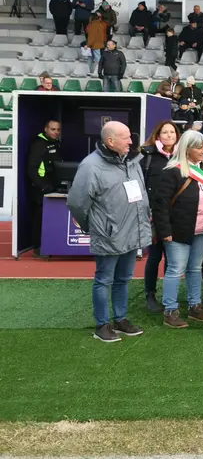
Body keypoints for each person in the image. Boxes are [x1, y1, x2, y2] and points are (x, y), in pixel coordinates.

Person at [67, 122, 151, 343]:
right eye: (125, 137)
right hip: (109, 233)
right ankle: (102, 325)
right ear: (110, 141)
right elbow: (77, 203)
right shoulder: (91, 166)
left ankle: (120, 319)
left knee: (123, 279)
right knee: (104, 279)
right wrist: (93, 226)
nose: (131, 141)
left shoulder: (132, 161)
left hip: (132, 230)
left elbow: (140, 192)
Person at [152, 130, 203, 328]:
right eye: (198, 146)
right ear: (187, 149)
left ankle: (194, 306)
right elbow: (160, 205)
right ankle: (170, 311)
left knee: (195, 269)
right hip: (178, 230)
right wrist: (165, 232)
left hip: (202, 230)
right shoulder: (173, 171)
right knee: (175, 269)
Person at [140, 121, 180, 311]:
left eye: (172, 132)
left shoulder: (182, 157)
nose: (169, 135)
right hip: (154, 216)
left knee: (172, 258)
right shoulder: (148, 157)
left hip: (176, 217)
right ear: (158, 135)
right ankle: (150, 294)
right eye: (165, 132)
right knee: (155, 256)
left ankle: (168, 295)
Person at [25, 119, 62, 254]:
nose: (56, 132)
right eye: (53, 129)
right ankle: (37, 247)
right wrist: (41, 186)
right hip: (41, 189)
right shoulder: (39, 144)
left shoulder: (55, 143)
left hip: (52, 187)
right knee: (39, 218)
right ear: (45, 129)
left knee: (51, 217)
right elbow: (31, 168)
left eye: (58, 129)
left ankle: (50, 245)